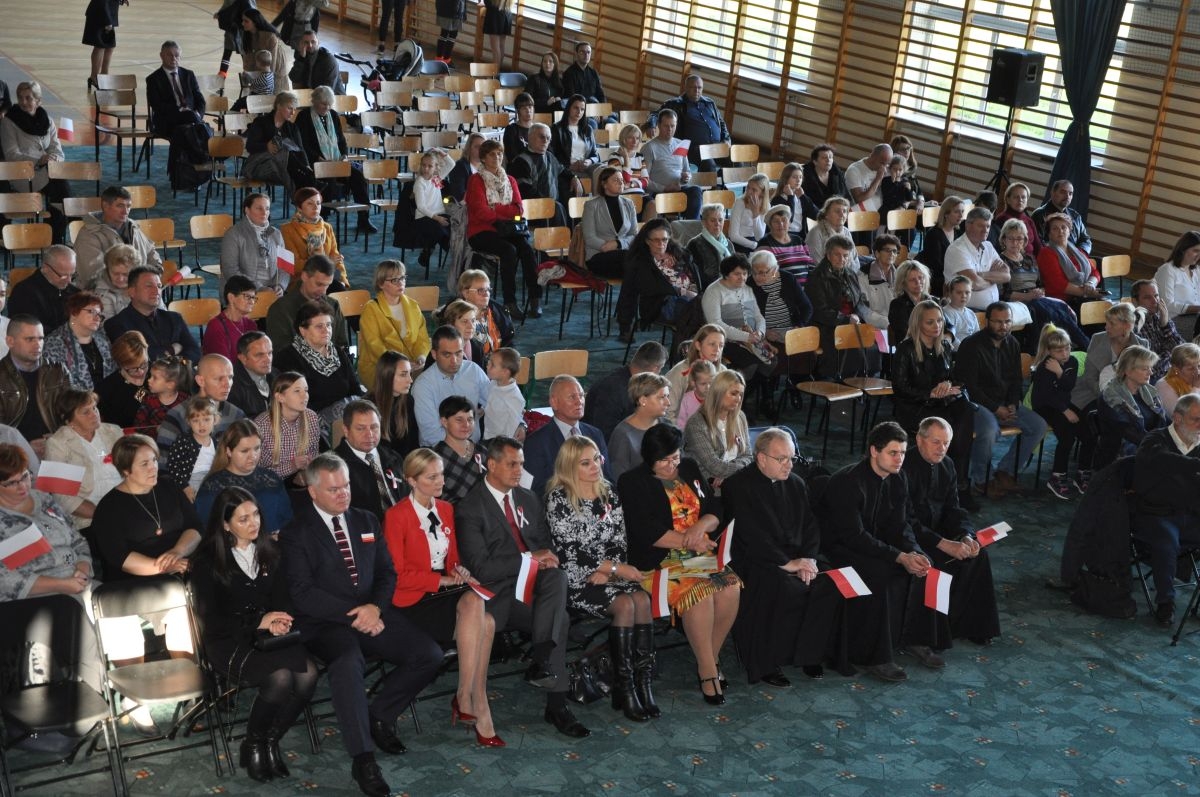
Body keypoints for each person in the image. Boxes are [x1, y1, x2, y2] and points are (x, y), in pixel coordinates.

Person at [282, 453, 442, 797]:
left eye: (346, 486)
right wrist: (357, 613)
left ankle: (379, 715)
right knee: (347, 662)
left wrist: (375, 607)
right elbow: (303, 594)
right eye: (334, 489)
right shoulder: (297, 533)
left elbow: (387, 573)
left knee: (428, 655)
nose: (343, 494)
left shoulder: (366, 520)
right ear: (313, 491)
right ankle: (363, 758)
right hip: (326, 623)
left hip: (373, 612)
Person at [453, 437, 589, 738]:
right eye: (512, 464)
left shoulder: (527, 498)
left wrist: (546, 559)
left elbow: (545, 545)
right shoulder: (470, 508)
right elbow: (482, 569)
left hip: (533, 585)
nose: (519, 470)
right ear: (491, 465)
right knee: (560, 619)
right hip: (498, 592)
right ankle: (555, 699)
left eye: (522, 464)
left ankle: (542, 662)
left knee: (557, 577)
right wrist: (529, 559)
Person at [190, 486, 316, 782]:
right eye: (243, 519)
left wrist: (281, 619)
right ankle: (254, 743)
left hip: (267, 636)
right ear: (225, 525)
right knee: (280, 678)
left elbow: (284, 598)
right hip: (227, 639)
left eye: (256, 514)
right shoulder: (207, 561)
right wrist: (260, 621)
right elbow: (211, 619)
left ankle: (269, 740)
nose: (254, 523)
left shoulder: (272, 550)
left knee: (308, 675)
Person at [383, 448, 504, 746]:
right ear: (412, 480)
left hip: (444, 593)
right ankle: (472, 700)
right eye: (432, 477)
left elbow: (452, 560)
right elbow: (397, 575)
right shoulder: (396, 516)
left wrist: (459, 571)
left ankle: (469, 696)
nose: (441, 482)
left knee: (483, 615)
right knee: (483, 617)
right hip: (413, 600)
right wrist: (442, 580)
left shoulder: (446, 509)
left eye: (441, 475)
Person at [617, 424, 742, 702]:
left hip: (697, 553)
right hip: (659, 561)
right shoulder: (632, 482)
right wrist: (690, 541)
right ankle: (708, 670)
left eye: (674, 457)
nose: (671, 465)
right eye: (664, 460)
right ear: (649, 458)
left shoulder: (689, 467)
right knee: (699, 594)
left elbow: (714, 508)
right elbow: (646, 531)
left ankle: (709, 658)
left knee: (730, 587)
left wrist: (700, 527)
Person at [546, 435, 657, 720]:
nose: (595, 466)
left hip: (608, 571)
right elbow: (568, 550)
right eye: (586, 463)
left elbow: (619, 541)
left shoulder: (609, 493)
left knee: (642, 600)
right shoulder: (559, 499)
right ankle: (625, 686)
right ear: (570, 467)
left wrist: (609, 569)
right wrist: (611, 569)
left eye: (597, 458)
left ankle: (643, 684)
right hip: (576, 578)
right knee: (626, 604)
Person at [721, 428, 840, 684]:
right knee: (779, 586)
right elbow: (749, 535)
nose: (789, 465)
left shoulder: (796, 483)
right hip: (755, 558)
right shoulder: (737, 486)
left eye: (791, 458)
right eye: (782, 459)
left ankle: (809, 654)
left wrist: (808, 559)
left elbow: (810, 525)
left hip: (796, 556)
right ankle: (766, 662)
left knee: (827, 584)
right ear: (761, 458)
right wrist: (786, 563)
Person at [818, 422, 932, 681]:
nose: (899, 459)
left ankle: (913, 638)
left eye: (902, 453)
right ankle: (874, 657)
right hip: (838, 549)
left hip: (872, 543)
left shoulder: (898, 477)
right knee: (880, 573)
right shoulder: (847, 482)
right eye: (893, 453)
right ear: (874, 451)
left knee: (924, 564)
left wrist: (913, 551)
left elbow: (901, 525)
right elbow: (853, 536)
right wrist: (899, 556)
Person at [901, 418, 1001, 645]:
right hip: (911, 538)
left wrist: (966, 535)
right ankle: (932, 636)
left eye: (946, 443)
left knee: (977, 556)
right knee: (934, 562)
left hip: (938, 531)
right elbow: (906, 520)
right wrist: (944, 543)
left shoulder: (947, 465)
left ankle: (971, 626)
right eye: (936, 442)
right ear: (920, 440)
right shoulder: (903, 468)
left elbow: (954, 509)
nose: (942, 448)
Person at [953, 303, 1049, 496]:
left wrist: (1012, 403)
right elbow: (970, 387)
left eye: (1007, 322)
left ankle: (1005, 471)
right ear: (987, 321)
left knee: (1038, 426)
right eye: (998, 322)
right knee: (990, 431)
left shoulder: (1012, 343)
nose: (1003, 326)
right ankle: (981, 479)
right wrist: (996, 408)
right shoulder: (971, 345)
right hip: (976, 404)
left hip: (1005, 403)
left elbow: (1016, 380)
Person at [890, 299, 975, 506]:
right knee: (951, 427)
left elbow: (956, 378)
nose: (937, 326)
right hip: (916, 406)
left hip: (941, 403)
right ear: (918, 324)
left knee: (966, 410)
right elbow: (900, 388)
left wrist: (948, 384)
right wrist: (930, 394)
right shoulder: (905, 349)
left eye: (939, 321)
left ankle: (957, 481)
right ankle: (955, 482)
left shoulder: (944, 346)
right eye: (930, 322)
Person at [1129, 393, 1200, 627]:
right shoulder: (1155, 440)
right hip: (1156, 514)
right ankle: (1165, 602)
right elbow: (1161, 460)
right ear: (1177, 418)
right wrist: (1194, 466)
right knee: (1166, 541)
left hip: (1189, 515)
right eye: (1196, 419)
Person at [90, 434, 201, 581]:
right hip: (139, 580)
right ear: (126, 470)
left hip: (183, 564)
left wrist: (177, 551)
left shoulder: (169, 486)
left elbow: (195, 526)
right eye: (144, 464)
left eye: (154, 460)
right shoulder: (109, 508)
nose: (153, 468)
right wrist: (163, 567)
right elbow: (119, 557)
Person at [1068, 301, 1147, 492]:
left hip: (1127, 398)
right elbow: (1090, 377)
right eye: (1107, 322)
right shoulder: (1098, 339)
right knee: (1094, 420)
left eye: (1111, 324)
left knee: (1136, 421)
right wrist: (1109, 399)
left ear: (1126, 326)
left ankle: (1123, 469)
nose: (1106, 327)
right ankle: (1085, 470)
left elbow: (1142, 380)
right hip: (1092, 392)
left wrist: (1122, 400)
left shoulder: (1142, 345)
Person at [466, 139, 542, 320]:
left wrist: (495, 208)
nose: (497, 157)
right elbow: (481, 212)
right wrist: (504, 212)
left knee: (526, 248)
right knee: (509, 251)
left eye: (499, 154)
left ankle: (535, 298)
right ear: (483, 158)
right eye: (492, 154)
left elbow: (518, 209)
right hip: (481, 231)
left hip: (507, 230)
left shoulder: (510, 180)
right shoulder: (476, 180)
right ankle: (510, 302)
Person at [996, 218, 1091, 354]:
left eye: (1019, 239)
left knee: (1060, 308)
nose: (1015, 243)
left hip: (1036, 298)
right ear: (1004, 240)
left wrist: (1040, 291)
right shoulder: (999, 261)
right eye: (1011, 238)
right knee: (1043, 310)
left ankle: (1071, 346)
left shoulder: (1029, 258)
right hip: (1017, 301)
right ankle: (1043, 351)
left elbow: (1040, 284)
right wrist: (1027, 296)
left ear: (1025, 241)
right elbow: (1002, 293)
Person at [296, 86, 377, 235]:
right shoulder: (304, 116)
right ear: (314, 101)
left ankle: (363, 219)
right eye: (323, 104)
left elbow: (341, 141)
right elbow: (303, 145)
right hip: (316, 164)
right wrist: (318, 158)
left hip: (336, 161)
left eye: (329, 104)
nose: (327, 107)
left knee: (358, 177)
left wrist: (344, 155)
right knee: (328, 180)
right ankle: (323, 219)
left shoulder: (333, 115)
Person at [195, 419, 293, 535]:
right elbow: (206, 530)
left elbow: (288, 520)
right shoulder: (212, 486)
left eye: (257, 448)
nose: (253, 456)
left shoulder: (271, 478)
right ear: (229, 451)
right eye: (244, 451)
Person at [44, 387, 123, 530]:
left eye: (94, 408)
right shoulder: (57, 444)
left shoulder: (114, 431)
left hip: (126, 505)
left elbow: (133, 469)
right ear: (68, 420)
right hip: (90, 520)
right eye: (86, 412)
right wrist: (105, 514)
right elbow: (63, 498)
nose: (94, 414)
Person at [0, 81, 68, 242]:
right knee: (61, 189)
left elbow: (57, 150)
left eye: (28, 98)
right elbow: (11, 155)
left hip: (48, 171)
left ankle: (54, 234)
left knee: (61, 190)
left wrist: (53, 158)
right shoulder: (9, 122)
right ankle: (56, 237)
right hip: (23, 175)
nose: (23, 102)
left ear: (38, 100)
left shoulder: (47, 120)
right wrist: (39, 160)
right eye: (20, 98)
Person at [616, 218, 701, 343]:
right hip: (661, 305)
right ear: (647, 241)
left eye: (664, 239)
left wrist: (695, 294)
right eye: (656, 240)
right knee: (697, 312)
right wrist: (625, 325)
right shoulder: (640, 263)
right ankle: (686, 347)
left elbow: (695, 278)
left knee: (706, 306)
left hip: (692, 300)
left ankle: (690, 345)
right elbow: (630, 294)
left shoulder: (681, 254)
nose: (661, 244)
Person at [1030, 324, 1091, 499]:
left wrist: (1059, 373)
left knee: (1088, 431)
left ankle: (1083, 472)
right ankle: (1057, 476)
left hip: (1063, 402)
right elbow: (1046, 396)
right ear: (1049, 351)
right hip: (1045, 406)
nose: (1064, 354)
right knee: (1067, 435)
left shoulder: (1072, 362)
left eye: (1067, 348)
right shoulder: (1044, 366)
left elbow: (1068, 386)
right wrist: (1065, 411)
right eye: (1059, 351)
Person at [275, 300, 361, 423]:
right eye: (319, 326)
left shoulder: (337, 352)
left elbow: (355, 389)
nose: (326, 330)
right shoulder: (287, 359)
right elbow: (295, 405)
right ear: (303, 330)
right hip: (311, 422)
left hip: (346, 417)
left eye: (328, 325)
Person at [524, 375, 611, 495]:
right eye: (572, 397)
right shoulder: (536, 443)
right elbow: (535, 491)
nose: (579, 401)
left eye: (581, 395)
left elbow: (608, 478)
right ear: (554, 403)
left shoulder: (595, 434)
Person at [0, 317, 70, 459]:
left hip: (58, 447)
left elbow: (72, 412)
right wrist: (24, 447)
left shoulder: (58, 371)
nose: (37, 345)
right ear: (10, 341)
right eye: (30, 339)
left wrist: (57, 438)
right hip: (13, 455)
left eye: (40, 338)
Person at [701, 254, 774, 390]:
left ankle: (747, 393)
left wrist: (760, 332)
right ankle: (736, 394)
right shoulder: (714, 291)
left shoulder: (747, 289)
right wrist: (746, 336)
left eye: (745, 274)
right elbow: (716, 324)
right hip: (724, 340)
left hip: (751, 338)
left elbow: (759, 317)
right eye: (737, 274)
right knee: (750, 364)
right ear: (726, 274)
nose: (742, 278)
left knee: (772, 361)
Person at [805, 234, 874, 377]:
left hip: (851, 324)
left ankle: (858, 383)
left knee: (872, 348)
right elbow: (820, 311)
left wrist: (857, 316)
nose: (842, 259)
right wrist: (846, 319)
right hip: (827, 328)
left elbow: (860, 301)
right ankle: (846, 383)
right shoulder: (816, 277)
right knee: (856, 351)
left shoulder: (850, 273)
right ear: (828, 255)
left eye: (845, 255)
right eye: (837, 255)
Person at [412, 326, 492, 447]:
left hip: (473, 447)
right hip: (438, 451)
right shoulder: (422, 386)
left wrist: (519, 423)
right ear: (434, 354)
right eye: (447, 355)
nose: (454, 360)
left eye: (458, 353)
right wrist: (465, 449)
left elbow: (495, 401)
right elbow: (431, 434)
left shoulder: (473, 370)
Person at [103, 266, 202, 363]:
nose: (156, 291)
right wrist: (172, 350)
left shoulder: (174, 318)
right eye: (149, 286)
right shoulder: (116, 324)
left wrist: (175, 367)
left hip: (180, 373)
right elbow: (137, 357)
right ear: (132, 292)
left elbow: (195, 352)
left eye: (159, 286)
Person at [357, 261, 430, 390]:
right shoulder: (371, 309)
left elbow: (422, 337)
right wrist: (399, 365)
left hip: (411, 364)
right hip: (381, 366)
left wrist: (421, 356)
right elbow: (374, 345)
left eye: (402, 278)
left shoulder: (413, 306)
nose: (401, 283)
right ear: (381, 284)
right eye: (394, 280)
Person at [73, 186, 163, 288]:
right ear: (105, 206)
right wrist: (136, 284)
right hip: (104, 294)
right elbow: (94, 275)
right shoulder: (88, 235)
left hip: (136, 290)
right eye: (120, 206)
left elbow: (150, 252)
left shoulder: (133, 227)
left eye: (128, 206)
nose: (125, 211)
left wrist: (154, 272)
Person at [1095, 345, 1167, 468]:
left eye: (1150, 368)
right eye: (1145, 369)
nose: (1151, 372)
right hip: (1119, 460)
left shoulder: (1149, 391)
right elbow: (1128, 431)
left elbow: (1163, 420)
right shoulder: (1110, 397)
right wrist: (1163, 446)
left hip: (1148, 450)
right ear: (1127, 371)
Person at [335, 400, 406, 521]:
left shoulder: (393, 457)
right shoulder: (334, 466)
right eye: (360, 429)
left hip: (404, 523)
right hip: (366, 527)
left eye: (374, 427)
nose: (369, 434)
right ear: (346, 430)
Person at [144, 41, 207, 177]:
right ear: (161, 55)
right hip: (167, 121)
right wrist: (182, 112)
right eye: (170, 55)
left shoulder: (188, 74)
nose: (174, 58)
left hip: (190, 122)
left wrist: (198, 114)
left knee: (186, 129)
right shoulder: (153, 79)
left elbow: (200, 100)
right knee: (195, 127)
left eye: (177, 55)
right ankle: (204, 158)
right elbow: (157, 105)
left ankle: (182, 173)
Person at [157, 353, 246, 450]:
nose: (227, 384)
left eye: (230, 377)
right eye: (219, 379)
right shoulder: (178, 415)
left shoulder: (236, 415)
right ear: (200, 381)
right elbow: (164, 456)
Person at [583, 341, 667, 441]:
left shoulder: (626, 378)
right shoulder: (614, 390)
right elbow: (604, 435)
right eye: (661, 369)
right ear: (654, 369)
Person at [683, 369, 752, 487]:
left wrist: (730, 474)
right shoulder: (696, 424)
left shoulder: (740, 417)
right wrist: (741, 470)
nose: (738, 399)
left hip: (734, 480)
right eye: (733, 394)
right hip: (708, 484)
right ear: (718, 393)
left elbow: (748, 455)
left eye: (741, 394)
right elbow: (715, 466)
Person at [266, 255, 349, 351]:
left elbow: (342, 345)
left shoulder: (333, 305)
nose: (323, 291)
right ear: (304, 276)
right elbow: (281, 353)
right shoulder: (280, 310)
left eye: (327, 285)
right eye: (319, 284)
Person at [244, 92, 316, 201]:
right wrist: (266, 146)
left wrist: (306, 165)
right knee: (287, 158)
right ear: (278, 106)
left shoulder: (292, 128)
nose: (293, 112)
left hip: (281, 167)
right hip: (259, 166)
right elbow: (250, 146)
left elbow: (301, 150)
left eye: (294, 109)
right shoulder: (261, 122)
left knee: (287, 168)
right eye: (289, 108)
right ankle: (307, 194)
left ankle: (302, 199)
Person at [254, 371, 320, 484]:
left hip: (303, 481)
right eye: (297, 391)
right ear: (280, 397)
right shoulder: (262, 425)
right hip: (270, 484)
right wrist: (292, 466)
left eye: (306, 390)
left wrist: (305, 471)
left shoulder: (311, 418)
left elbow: (314, 454)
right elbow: (257, 472)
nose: (305, 396)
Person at [41, 291, 114, 392]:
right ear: (74, 312)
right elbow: (56, 385)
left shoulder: (103, 339)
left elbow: (114, 375)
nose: (97, 318)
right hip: (74, 400)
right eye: (91, 312)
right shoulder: (54, 343)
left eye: (99, 315)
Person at [281, 187, 350, 288]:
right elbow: (291, 265)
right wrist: (326, 262)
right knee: (333, 287)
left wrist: (343, 280)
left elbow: (336, 259)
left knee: (338, 286)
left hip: (327, 278)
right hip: (301, 280)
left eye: (318, 203)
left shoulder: (327, 227)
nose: (315, 207)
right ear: (299, 207)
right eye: (310, 203)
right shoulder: (287, 229)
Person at [221, 193, 289, 296]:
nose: (264, 213)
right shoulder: (233, 234)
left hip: (273, 292)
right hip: (243, 291)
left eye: (267, 208)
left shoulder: (276, 234)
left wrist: (280, 285)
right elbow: (230, 270)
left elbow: (285, 266)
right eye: (259, 208)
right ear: (247, 210)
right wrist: (258, 288)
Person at [659, 75, 730, 172]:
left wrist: (726, 139)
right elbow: (656, 114)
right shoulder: (675, 103)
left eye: (699, 88)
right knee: (710, 165)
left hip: (716, 146)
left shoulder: (709, 103)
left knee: (736, 162)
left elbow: (721, 123)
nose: (697, 90)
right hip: (693, 148)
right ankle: (712, 182)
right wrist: (651, 124)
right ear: (686, 88)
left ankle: (723, 179)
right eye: (693, 87)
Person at [944, 207, 1010, 311]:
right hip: (966, 309)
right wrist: (993, 280)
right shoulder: (957, 249)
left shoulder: (988, 246)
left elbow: (1006, 276)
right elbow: (974, 283)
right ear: (968, 226)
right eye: (980, 226)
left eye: (988, 226)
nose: (985, 230)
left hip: (992, 309)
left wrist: (982, 275)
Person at [607, 372, 671, 478]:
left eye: (668, 396)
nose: (668, 402)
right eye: (662, 397)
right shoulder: (623, 435)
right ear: (643, 400)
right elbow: (619, 479)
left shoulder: (668, 425)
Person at [641, 108, 702, 219]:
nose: (669, 129)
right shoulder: (649, 148)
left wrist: (686, 177)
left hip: (678, 189)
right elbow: (644, 180)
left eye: (672, 126)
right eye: (666, 126)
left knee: (696, 191)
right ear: (659, 125)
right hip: (659, 193)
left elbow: (687, 171)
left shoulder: (681, 144)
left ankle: (691, 225)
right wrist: (664, 188)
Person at [1036, 212, 1105, 310]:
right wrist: (1088, 293)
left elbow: (1095, 272)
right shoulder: (1046, 253)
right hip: (1060, 302)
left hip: (1082, 297)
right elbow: (1059, 284)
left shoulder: (1078, 251)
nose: (1060, 231)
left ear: (1069, 231)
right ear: (1049, 234)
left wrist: (1090, 284)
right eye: (1055, 228)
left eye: (1064, 227)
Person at [582, 166, 639, 278]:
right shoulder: (591, 205)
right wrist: (606, 246)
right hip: (598, 254)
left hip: (623, 253)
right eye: (616, 180)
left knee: (636, 264)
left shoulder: (629, 204)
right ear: (604, 184)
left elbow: (634, 234)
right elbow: (589, 238)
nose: (621, 183)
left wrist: (618, 243)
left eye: (622, 180)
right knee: (634, 262)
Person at [7, 245, 80, 332]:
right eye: (63, 275)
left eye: (72, 275)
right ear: (45, 268)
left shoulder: (74, 292)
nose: (69, 281)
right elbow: (31, 332)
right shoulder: (23, 294)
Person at [749, 250, 812, 348]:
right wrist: (764, 332)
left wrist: (798, 327)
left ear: (774, 270)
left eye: (762, 273)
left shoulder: (788, 279)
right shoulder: (749, 284)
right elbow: (745, 316)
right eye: (754, 272)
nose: (756, 277)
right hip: (764, 335)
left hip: (791, 330)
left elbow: (806, 307)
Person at [509, 122, 569, 225]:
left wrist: (574, 178)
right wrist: (547, 203)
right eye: (541, 137)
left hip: (552, 206)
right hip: (531, 208)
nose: (545, 141)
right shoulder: (521, 161)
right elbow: (525, 190)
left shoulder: (550, 157)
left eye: (548, 138)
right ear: (530, 138)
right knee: (558, 208)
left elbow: (563, 172)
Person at [432, 396, 488, 504]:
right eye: (459, 420)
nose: (466, 425)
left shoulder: (482, 451)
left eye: (470, 419)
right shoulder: (435, 458)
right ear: (444, 422)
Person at [664, 323, 726, 421]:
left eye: (721, 345)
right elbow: (668, 412)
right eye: (712, 344)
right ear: (698, 345)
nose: (717, 349)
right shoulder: (680, 372)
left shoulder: (722, 371)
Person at [162, 396, 220, 500]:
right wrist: (185, 487)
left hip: (212, 482)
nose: (201, 425)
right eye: (195, 421)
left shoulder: (217, 443)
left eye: (206, 419)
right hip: (189, 484)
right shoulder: (184, 441)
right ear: (189, 422)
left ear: (215, 420)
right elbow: (172, 465)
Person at [1129, 279, 1183, 383]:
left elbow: (1182, 351)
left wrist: (1165, 326)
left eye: (1156, 296)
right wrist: (1170, 356)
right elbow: (1150, 366)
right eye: (1147, 297)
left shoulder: (1161, 317)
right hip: (1151, 379)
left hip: (1171, 372)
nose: (1155, 301)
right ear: (1135, 302)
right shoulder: (1134, 324)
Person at [452, 269, 514, 357]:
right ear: (466, 293)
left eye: (488, 290)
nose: (486, 294)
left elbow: (509, 343)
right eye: (481, 290)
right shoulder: (455, 316)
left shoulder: (499, 312)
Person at [369, 352, 418, 460]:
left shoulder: (408, 401)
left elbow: (413, 442)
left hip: (405, 463)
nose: (410, 380)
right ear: (387, 376)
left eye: (410, 373)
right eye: (403, 374)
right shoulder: (369, 406)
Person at [1153, 231, 1200, 340]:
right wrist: (1197, 308)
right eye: (1195, 251)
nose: (1199, 255)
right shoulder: (1167, 270)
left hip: (1195, 318)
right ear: (1183, 249)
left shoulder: (1197, 271)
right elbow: (1167, 305)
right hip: (1172, 322)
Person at [97, 331, 148, 429]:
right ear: (121, 365)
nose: (141, 372)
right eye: (133, 369)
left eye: (144, 364)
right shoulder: (107, 388)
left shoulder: (158, 373)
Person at [549, 96, 596, 200]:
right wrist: (569, 167)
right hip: (567, 169)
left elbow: (595, 155)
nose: (579, 112)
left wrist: (589, 161)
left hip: (586, 167)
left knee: (603, 171)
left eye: (582, 109)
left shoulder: (588, 129)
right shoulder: (556, 129)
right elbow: (552, 156)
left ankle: (598, 202)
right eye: (576, 108)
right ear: (569, 108)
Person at [916, 196, 964, 298]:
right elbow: (935, 266)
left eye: (962, 212)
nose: (961, 215)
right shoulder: (934, 234)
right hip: (937, 278)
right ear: (946, 214)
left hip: (952, 274)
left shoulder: (958, 233)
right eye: (956, 212)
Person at [204, 275, 260, 362]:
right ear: (231, 297)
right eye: (247, 297)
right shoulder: (216, 327)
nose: (252, 302)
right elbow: (222, 364)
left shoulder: (250, 324)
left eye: (253, 298)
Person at [1030, 179, 1092, 254]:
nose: (1067, 196)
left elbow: (1085, 239)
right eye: (1063, 192)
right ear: (1052, 193)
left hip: (1075, 256)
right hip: (1051, 256)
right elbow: (1037, 242)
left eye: (1070, 193)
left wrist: (1080, 253)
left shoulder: (1075, 216)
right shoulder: (1039, 215)